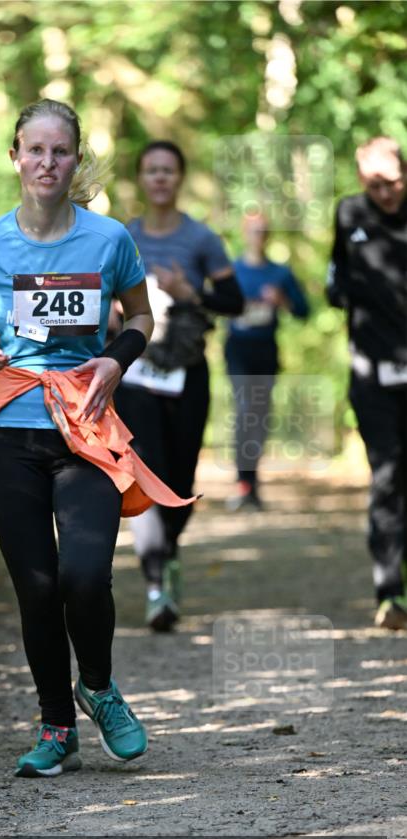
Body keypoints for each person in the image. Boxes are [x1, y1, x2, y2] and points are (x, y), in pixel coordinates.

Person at [0, 101, 197, 778]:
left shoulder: (108, 240)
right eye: (35, 151)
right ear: (14, 157)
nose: (47, 164)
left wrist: (116, 359)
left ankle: (101, 688)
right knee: (35, 585)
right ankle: (56, 725)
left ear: (75, 159)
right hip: (9, 432)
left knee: (84, 575)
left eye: (60, 152)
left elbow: (140, 314)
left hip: (83, 429)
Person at [114, 140, 244, 632]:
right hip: (136, 372)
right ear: (142, 179)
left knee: (181, 481)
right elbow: (101, 292)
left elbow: (233, 301)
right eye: (151, 171)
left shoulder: (202, 238)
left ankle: (168, 553)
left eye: (168, 170)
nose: (160, 178)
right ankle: (154, 587)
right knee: (145, 473)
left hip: (187, 371)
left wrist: (192, 293)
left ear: (180, 177)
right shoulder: (123, 236)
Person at [327, 136, 407, 631]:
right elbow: (337, 272)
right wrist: (337, 291)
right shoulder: (350, 213)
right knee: (387, 474)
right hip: (372, 370)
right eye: (375, 184)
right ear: (362, 180)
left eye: (394, 181)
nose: (385, 193)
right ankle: (388, 590)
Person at [225, 212, 310, 511]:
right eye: (253, 230)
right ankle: (242, 482)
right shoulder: (231, 270)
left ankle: (253, 482)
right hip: (237, 349)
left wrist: (282, 300)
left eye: (263, 230)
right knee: (244, 410)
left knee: (259, 415)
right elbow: (215, 305)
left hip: (266, 350)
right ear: (244, 232)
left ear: (268, 235)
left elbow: (304, 310)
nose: (258, 235)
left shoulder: (280, 274)